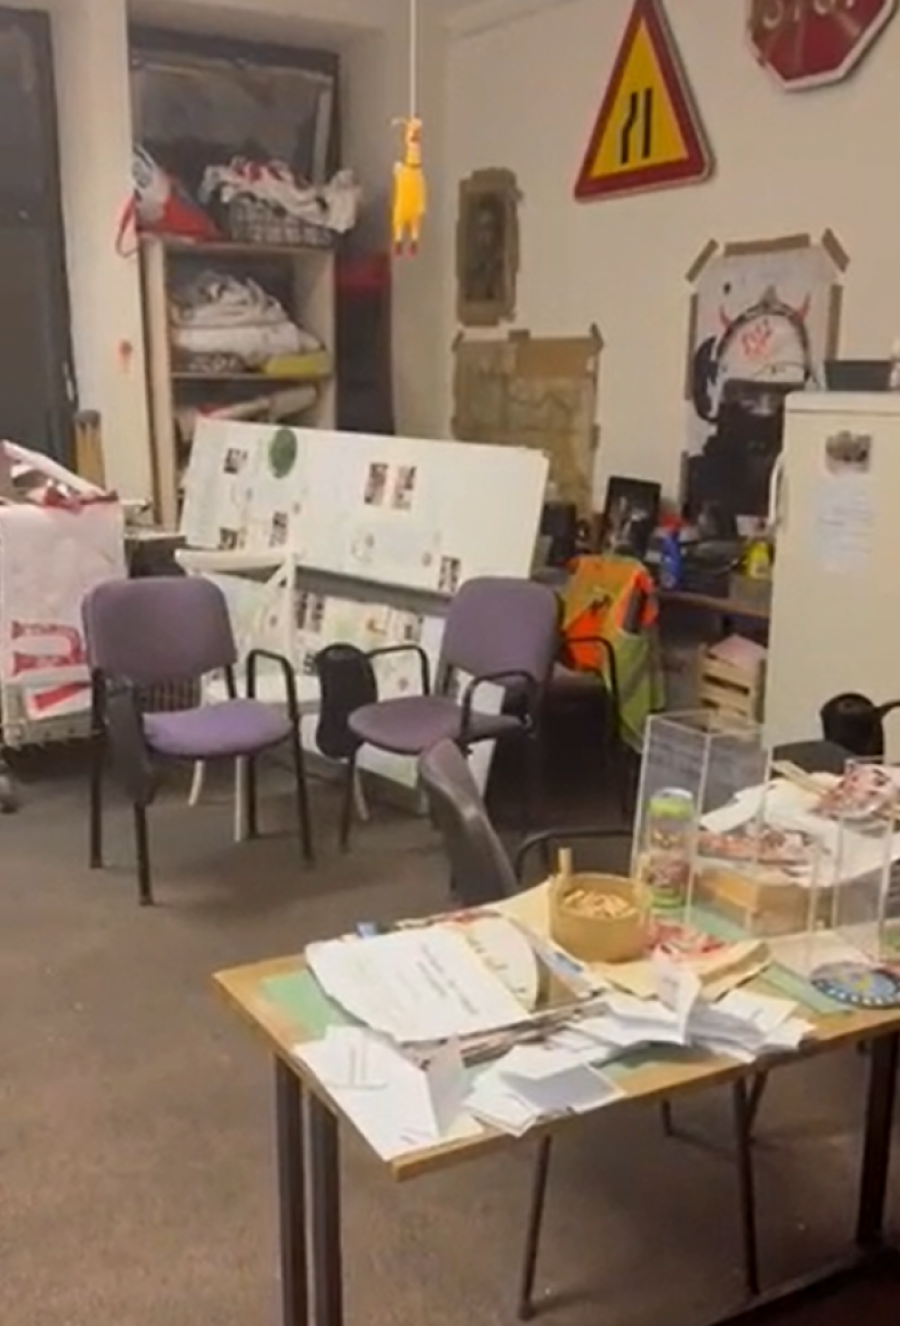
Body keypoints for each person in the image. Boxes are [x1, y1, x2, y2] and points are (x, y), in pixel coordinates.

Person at [464, 196, 505, 303]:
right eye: (479, 227)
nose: (482, 234)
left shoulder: (501, 267)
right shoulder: (470, 267)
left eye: (488, 227)